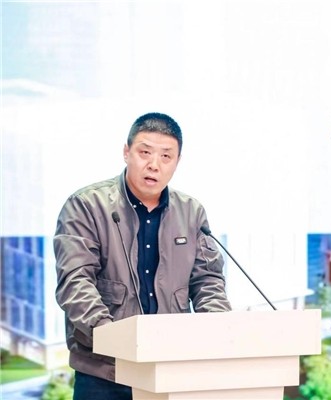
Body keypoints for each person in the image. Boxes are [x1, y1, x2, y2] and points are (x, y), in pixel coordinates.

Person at [53, 112, 231, 400]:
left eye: (166, 156)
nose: (154, 165)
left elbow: (208, 281)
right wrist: (113, 340)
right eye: (145, 152)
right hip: (104, 371)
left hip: (170, 367)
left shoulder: (191, 212)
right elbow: (75, 282)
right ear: (126, 152)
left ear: (177, 162)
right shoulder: (86, 206)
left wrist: (220, 330)